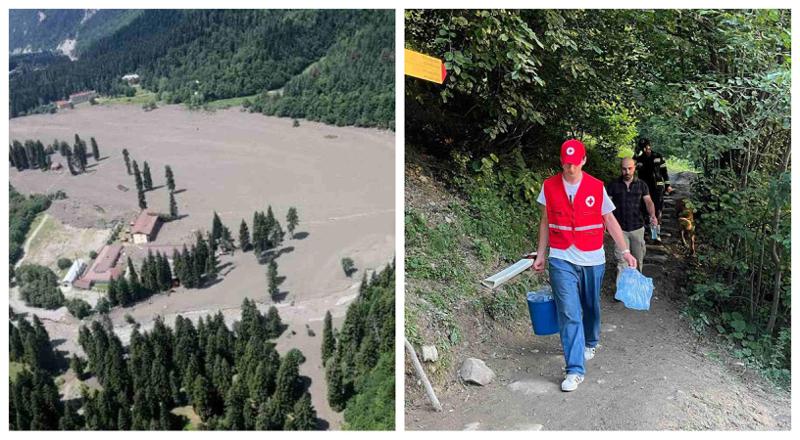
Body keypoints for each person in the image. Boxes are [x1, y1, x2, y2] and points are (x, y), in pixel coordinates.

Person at [532, 139, 637, 392]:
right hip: (561, 257)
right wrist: (541, 253)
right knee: (568, 312)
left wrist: (625, 251)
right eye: (566, 164)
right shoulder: (549, 186)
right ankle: (575, 369)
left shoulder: (595, 186)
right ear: (561, 161)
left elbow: (609, 219)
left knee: (590, 305)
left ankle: (591, 339)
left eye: (575, 163)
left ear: (583, 161)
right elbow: (545, 221)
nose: (570, 168)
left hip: (592, 258)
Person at [605, 157, 658, 278]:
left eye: (630, 168)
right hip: (620, 229)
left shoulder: (642, 185)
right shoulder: (613, 185)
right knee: (622, 261)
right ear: (620, 169)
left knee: (638, 260)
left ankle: (636, 290)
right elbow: (607, 206)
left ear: (634, 168)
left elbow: (648, 202)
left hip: (637, 228)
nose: (627, 172)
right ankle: (622, 294)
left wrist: (653, 215)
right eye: (624, 169)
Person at [635, 138, 673, 241]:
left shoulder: (657, 156)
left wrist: (667, 185)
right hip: (645, 188)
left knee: (657, 210)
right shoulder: (639, 159)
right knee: (644, 209)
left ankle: (656, 234)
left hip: (658, 187)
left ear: (649, 145)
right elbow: (632, 169)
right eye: (642, 147)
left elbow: (664, 171)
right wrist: (635, 156)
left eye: (646, 146)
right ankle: (646, 232)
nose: (645, 149)